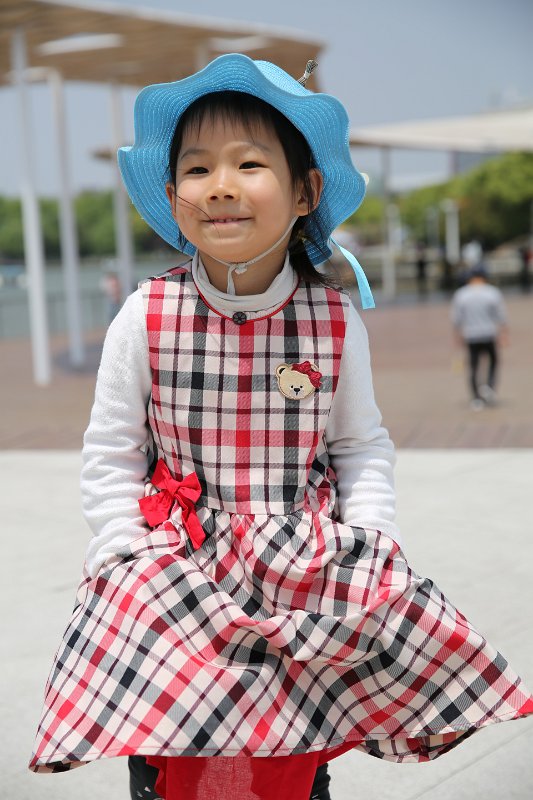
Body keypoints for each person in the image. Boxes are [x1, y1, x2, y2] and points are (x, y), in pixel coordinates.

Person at [30, 54, 532, 800]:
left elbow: (359, 445)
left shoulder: (332, 320)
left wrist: (373, 539)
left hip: (303, 570)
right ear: (171, 197)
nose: (220, 184)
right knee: (174, 757)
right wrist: (123, 550)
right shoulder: (145, 314)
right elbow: (112, 451)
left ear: (306, 192)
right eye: (197, 169)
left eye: (248, 163)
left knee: (292, 754)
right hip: (176, 566)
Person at [451, 265, 508, 410]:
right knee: (493, 361)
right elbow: (501, 316)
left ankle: (476, 398)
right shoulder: (492, 292)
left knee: (473, 366)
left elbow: (456, 319)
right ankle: (489, 386)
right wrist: (504, 334)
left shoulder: (461, 294)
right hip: (489, 333)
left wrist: (457, 336)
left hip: (471, 334)